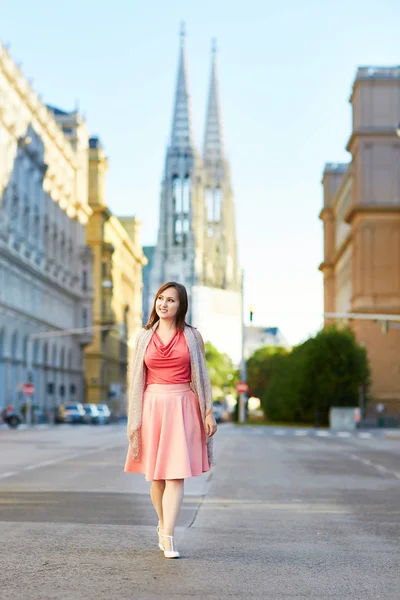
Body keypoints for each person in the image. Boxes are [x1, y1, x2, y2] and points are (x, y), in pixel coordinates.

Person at [124, 281, 217, 558]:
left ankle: (168, 536)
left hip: (183, 406)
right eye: (160, 299)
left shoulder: (192, 336)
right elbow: (136, 379)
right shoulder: (143, 336)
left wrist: (208, 411)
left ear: (181, 306)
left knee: (175, 475)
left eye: (171, 300)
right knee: (157, 478)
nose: (164, 304)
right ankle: (163, 525)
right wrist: (135, 417)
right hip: (152, 406)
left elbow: (202, 376)